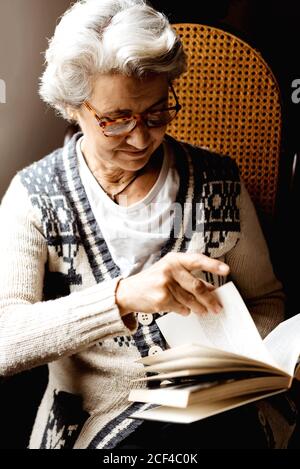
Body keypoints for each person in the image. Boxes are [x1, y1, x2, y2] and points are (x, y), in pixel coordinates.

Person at [0, 0, 297, 449]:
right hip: (95, 423)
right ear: (72, 106)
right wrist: (121, 298)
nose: (140, 138)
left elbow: (266, 301)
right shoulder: (37, 196)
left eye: (157, 113)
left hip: (218, 414)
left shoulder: (217, 182)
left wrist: (255, 359)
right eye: (116, 120)